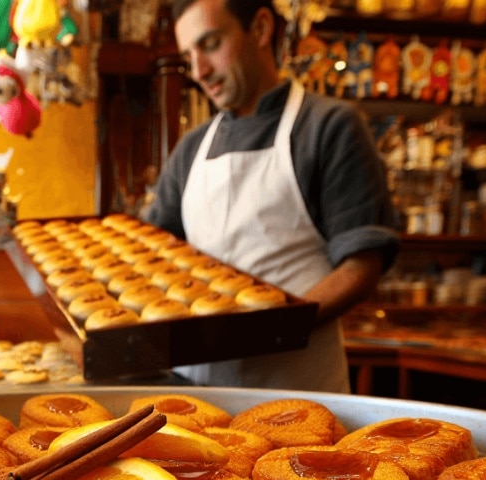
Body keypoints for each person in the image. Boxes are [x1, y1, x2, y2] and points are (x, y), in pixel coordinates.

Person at [144, 0, 400, 393]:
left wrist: (273, 325)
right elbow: (149, 255)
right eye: (187, 56)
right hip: (195, 391)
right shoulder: (191, 148)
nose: (199, 71)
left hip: (297, 388)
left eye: (210, 44)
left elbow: (360, 266)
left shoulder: (329, 127)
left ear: (261, 29)